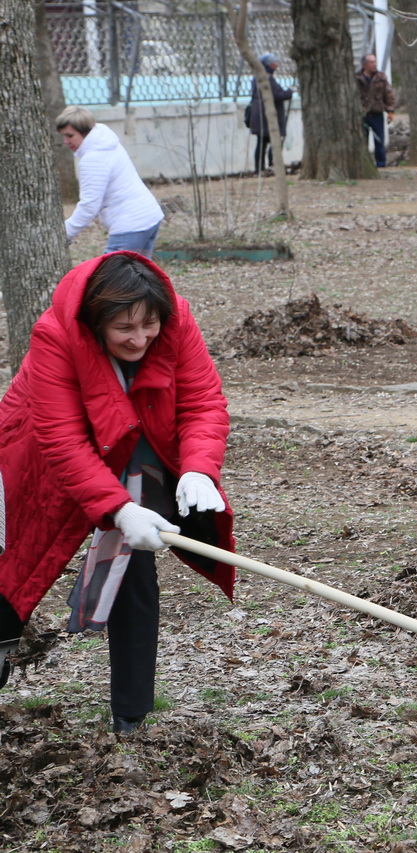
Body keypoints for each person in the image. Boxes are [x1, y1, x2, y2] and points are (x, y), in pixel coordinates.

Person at [0, 252, 236, 732]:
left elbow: (202, 401)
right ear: (95, 321)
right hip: (39, 459)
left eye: (147, 325)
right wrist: (116, 508)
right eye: (124, 328)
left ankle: (131, 714)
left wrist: (198, 470)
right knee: (11, 568)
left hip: (134, 445)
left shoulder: (174, 322)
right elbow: (61, 440)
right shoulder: (55, 336)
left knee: (134, 564)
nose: (140, 338)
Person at [57, 107, 165, 258]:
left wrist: (64, 233)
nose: (66, 141)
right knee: (138, 278)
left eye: (70, 135)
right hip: (148, 217)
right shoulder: (107, 143)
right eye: (64, 136)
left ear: (85, 132)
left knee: (109, 279)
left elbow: (89, 206)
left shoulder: (93, 158)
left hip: (130, 225)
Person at [247, 53, 293, 175]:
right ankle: (271, 165)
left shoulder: (258, 78)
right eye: (274, 63)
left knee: (262, 143)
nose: (276, 65)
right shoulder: (267, 78)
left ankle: (261, 167)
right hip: (267, 117)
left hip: (261, 115)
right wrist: (289, 92)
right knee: (271, 142)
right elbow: (277, 95)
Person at [357, 53, 395, 168]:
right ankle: (363, 164)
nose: (374, 64)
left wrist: (390, 111)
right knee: (362, 141)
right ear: (365, 64)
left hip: (377, 113)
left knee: (379, 141)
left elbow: (388, 95)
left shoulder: (381, 77)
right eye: (371, 62)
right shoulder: (357, 78)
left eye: (375, 62)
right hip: (362, 115)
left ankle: (381, 164)